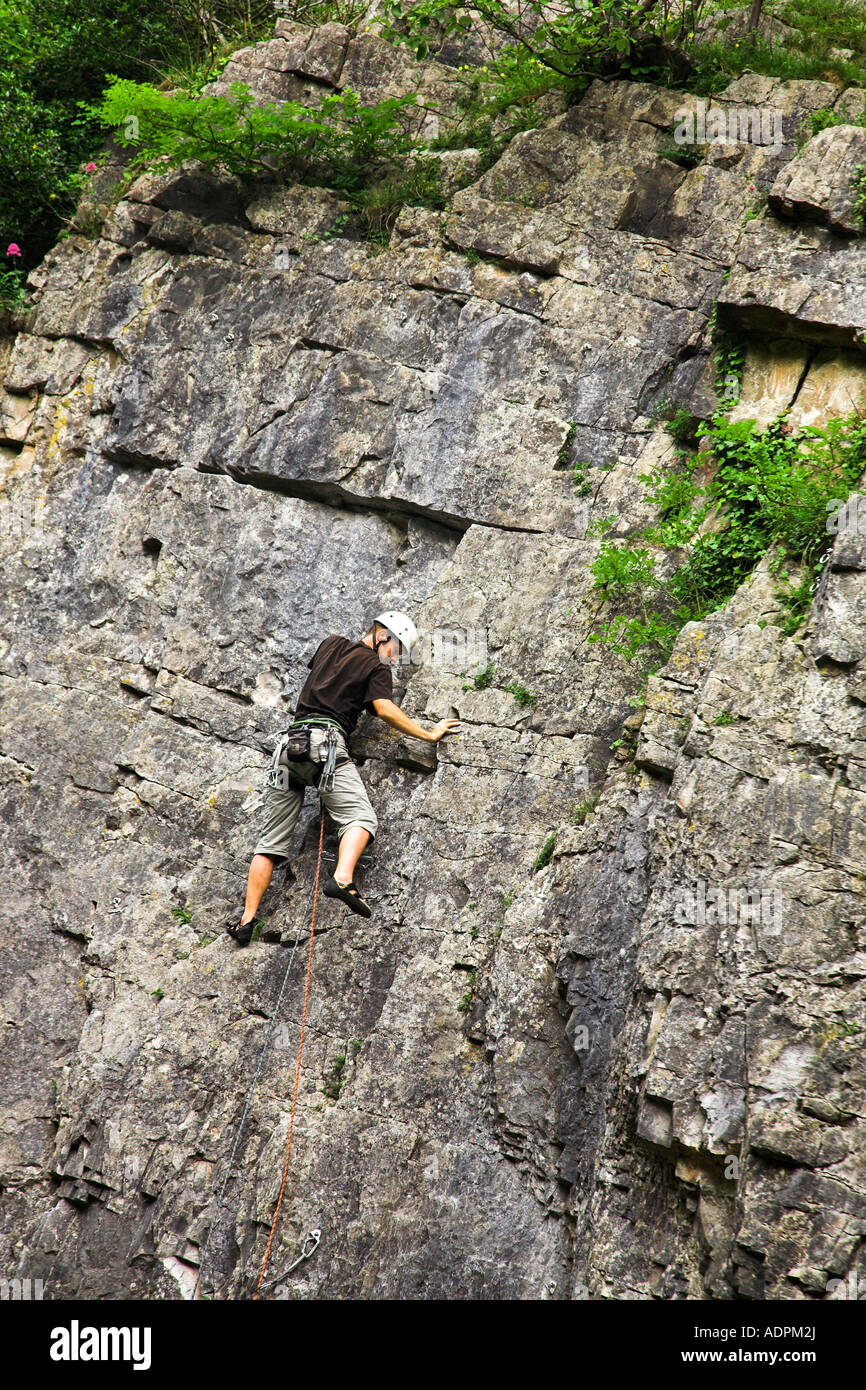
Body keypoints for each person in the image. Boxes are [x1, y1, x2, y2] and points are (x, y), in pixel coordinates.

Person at [226, 610, 461, 943]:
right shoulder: (376, 666)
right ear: (382, 636)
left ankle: (247, 920)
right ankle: (343, 877)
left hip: (289, 747)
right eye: (394, 648)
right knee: (361, 819)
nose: (393, 657)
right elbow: (383, 708)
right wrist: (428, 733)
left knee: (269, 844)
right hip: (324, 745)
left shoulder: (330, 643)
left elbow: (325, 682)